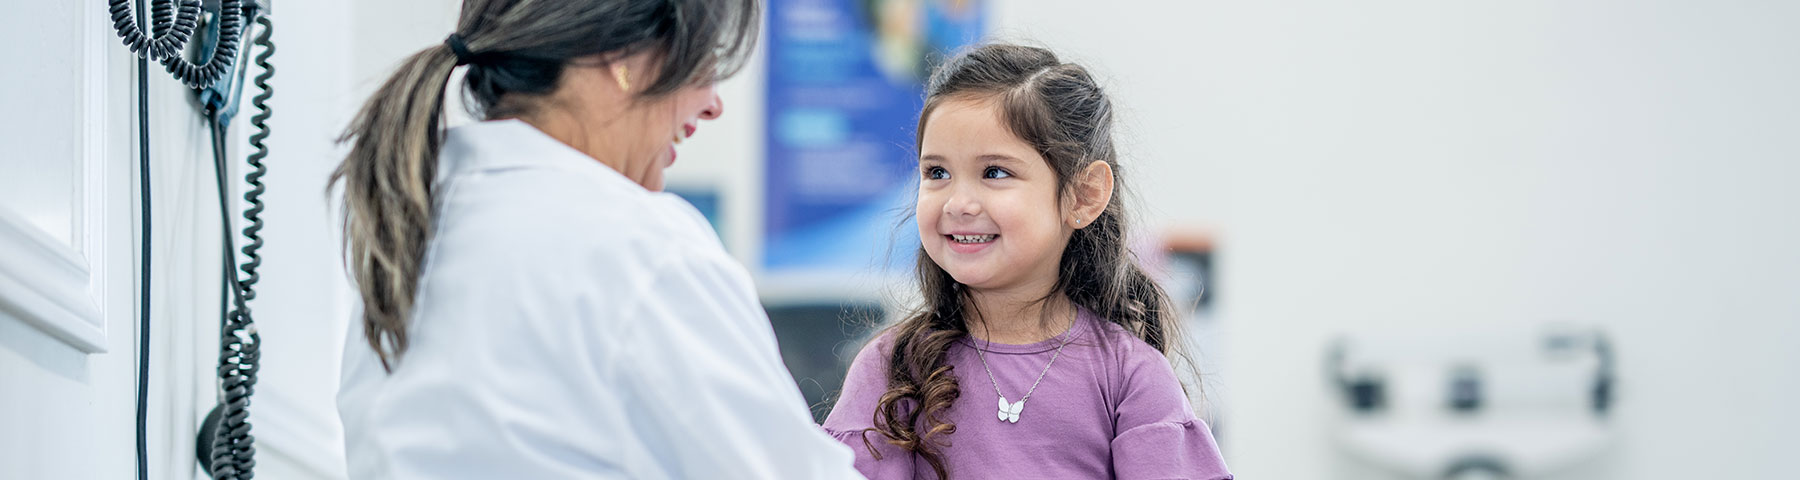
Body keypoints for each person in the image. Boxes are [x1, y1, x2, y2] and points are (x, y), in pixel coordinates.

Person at [330, 1, 862, 478]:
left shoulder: (411, 232)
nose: (711, 103)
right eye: (705, 61)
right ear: (622, 57)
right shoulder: (638, 245)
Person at [822, 44, 1234, 479]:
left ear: (1084, 194)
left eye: (995, 172)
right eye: (937, 172)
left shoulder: (1128, 375)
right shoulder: (893, 369)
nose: (959, 203)